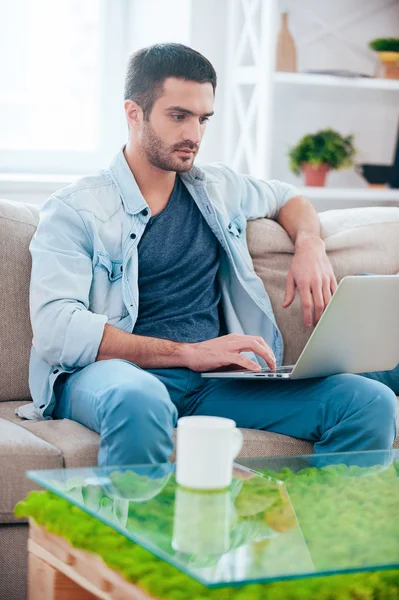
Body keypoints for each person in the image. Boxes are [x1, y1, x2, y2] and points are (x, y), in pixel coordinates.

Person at [27, 44, 398, 466]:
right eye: (179, 116)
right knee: (140, 398)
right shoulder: (75, 209)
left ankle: (319, 531)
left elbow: (287, 197)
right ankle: (132, 531)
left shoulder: (217, 188)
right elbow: (57, 329)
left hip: (212, 383)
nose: (194, 136)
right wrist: (188, 352)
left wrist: (310, 244)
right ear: (134, 113)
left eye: (203, 119)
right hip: (117, 375)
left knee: (367, 401)